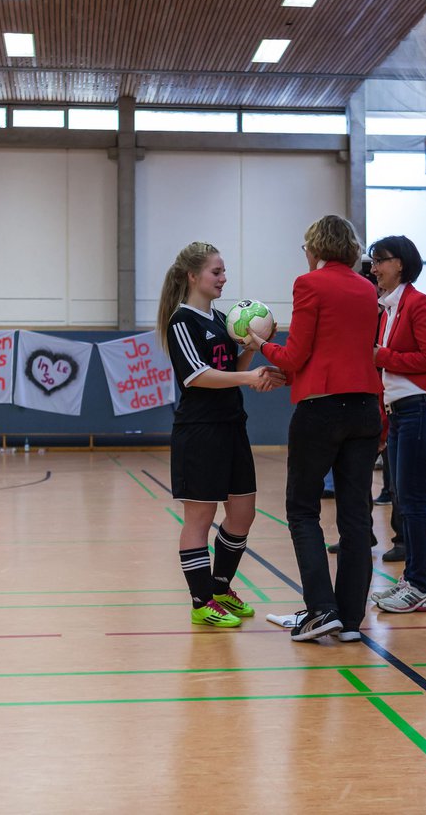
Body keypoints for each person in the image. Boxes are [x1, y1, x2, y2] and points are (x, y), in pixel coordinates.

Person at [242, 215, 383, 642]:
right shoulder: (367, 287)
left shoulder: (309, 284)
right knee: (356, 516)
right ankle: (350, 618)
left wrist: (258, 344)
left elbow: (295, 354)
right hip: (364, 408)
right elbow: (338, 353)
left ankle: (322, 610)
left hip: (321, 412)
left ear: (316, 248)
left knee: (302, 509)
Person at [156, 242, 283, 628]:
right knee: (200, 517)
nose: (223, 278)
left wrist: (252, 344)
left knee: (242, 514)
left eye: (224, 271)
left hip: (232, 427)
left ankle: (220, 586)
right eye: (216, 272)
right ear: (193, 276)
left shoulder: (222, 318)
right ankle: (201, 602)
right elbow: (196, 376)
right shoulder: (182, 321)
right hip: (200, 432)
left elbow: (233, 366)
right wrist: (248, 377)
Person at [364, 235, 426, 614]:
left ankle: (420, 586)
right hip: (401, 413)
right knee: (405, 500)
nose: (374, 267)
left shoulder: (420, 304)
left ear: (400, 263)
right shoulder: (387, 310)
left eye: (379, 260)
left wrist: (385, 356)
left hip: (421, 410)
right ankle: (412, 580)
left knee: (413, 502)